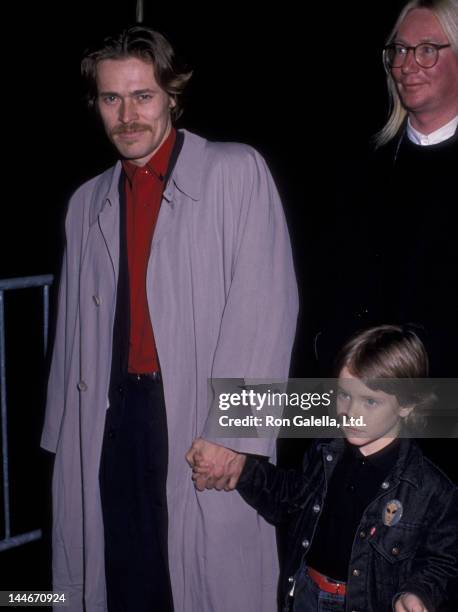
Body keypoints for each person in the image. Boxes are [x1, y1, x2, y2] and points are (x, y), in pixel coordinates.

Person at [40, 26, 298, 612]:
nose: (126, 115)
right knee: (121, 574)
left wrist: (235, 434)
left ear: (172, 97)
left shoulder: (235, 173)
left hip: (191, 416)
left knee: (202, 578)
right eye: (111, 98)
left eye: (143, 96)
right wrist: (65, 435)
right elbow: (73, 333)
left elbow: (267, 306)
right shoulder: (86, 202)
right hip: (110, 419)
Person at [194, 325, 458, 611]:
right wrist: (241, 467)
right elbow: (292, 500)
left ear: (406, 404)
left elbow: (442, 562)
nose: (351, 412)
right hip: (305, 591)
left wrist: (418, 594)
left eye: (370, 401)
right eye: (344, 395)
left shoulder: (433, 490)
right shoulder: (326, 449)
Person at [315, 0, 458, 379]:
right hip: (354, 399)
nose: (406, 65)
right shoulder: (361, 167)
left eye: (426, 50)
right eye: (398, 50)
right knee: (240, 409)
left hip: (440, 408)